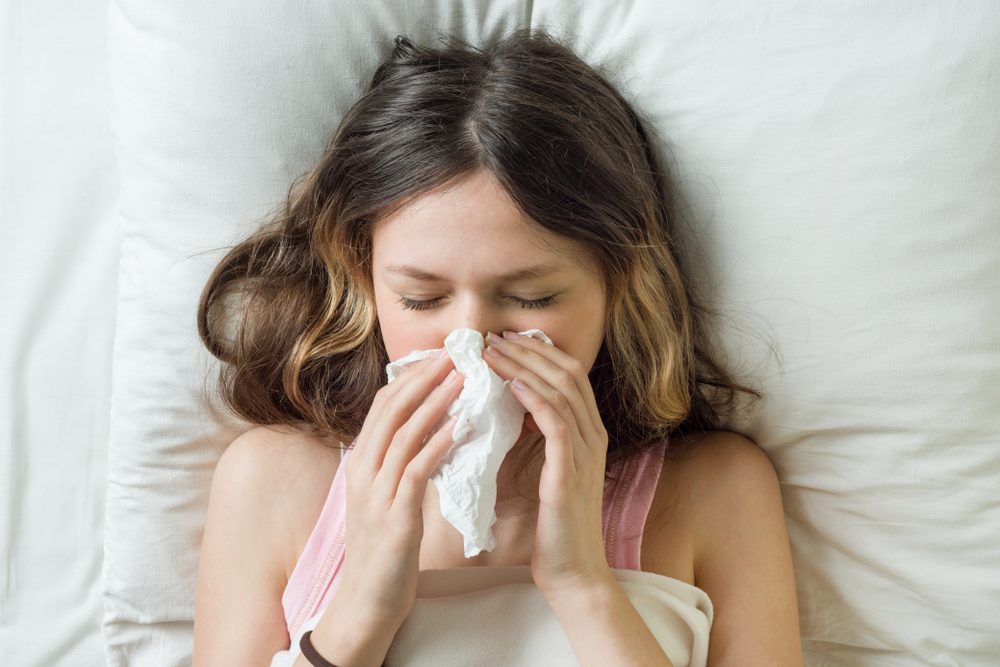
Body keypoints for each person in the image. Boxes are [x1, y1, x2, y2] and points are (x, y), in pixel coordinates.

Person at [191, 28, 803, 666]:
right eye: (422, 299)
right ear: (364, 280)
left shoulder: (714, 491)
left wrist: (583, 585)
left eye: (532, 298)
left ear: (619, 284)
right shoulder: (274, 483)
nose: (473, 341)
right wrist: (362, 610)